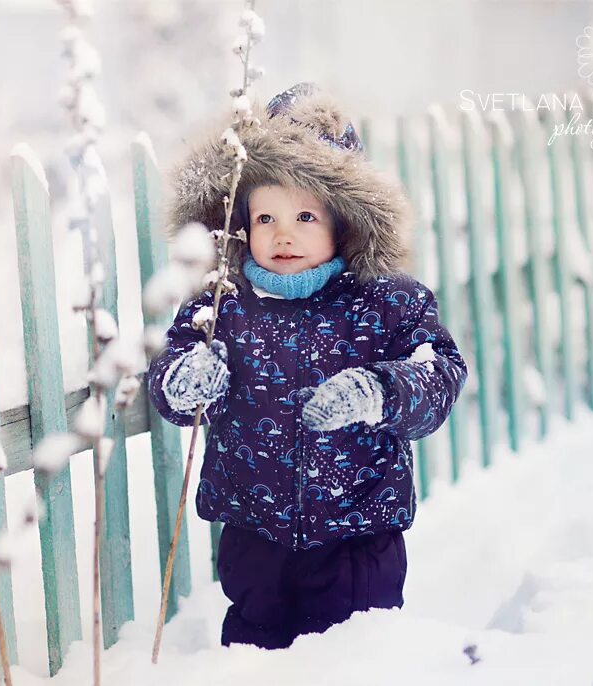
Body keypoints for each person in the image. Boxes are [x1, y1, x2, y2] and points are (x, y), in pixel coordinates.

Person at [147, 82, 468, 650]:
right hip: (254, 535)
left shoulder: (385, 300)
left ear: (344, 221)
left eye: (303, 215)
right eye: (265, 217)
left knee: (354, 655)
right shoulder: (222, 300)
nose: (283, 233)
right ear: (242, 223)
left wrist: (380, 390)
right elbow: (174, 362)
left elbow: (439, 373)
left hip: (358, 539)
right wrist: (185, 381)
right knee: (252, 654)